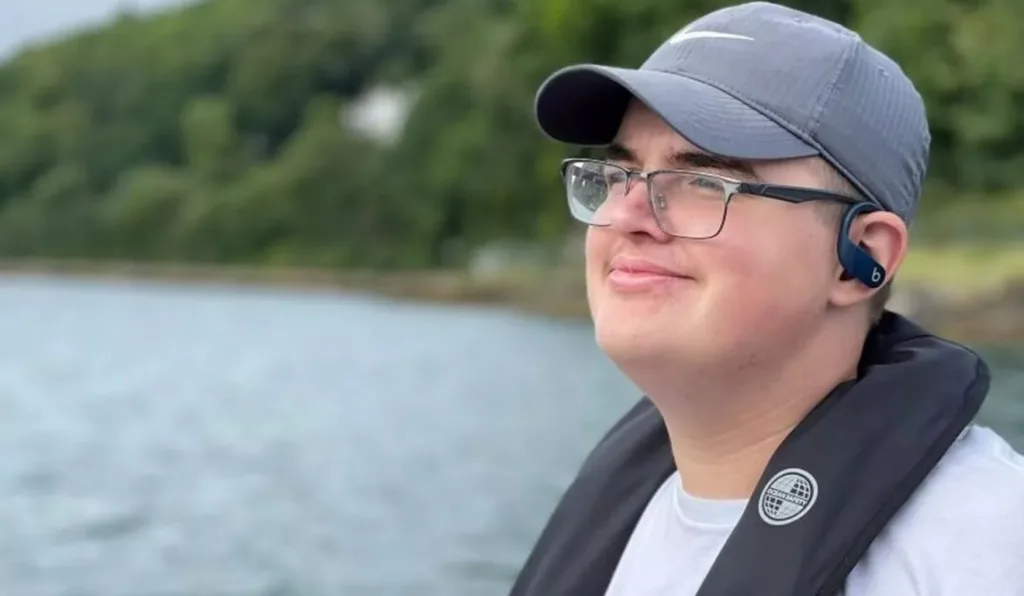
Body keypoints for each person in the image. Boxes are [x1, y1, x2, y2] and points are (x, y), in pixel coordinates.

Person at [509, 2, 1024, 596]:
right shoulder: (620, 514)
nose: (625, 215)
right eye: (618, 174)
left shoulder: (984, 546)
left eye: (705, 181)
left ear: (862, 257)